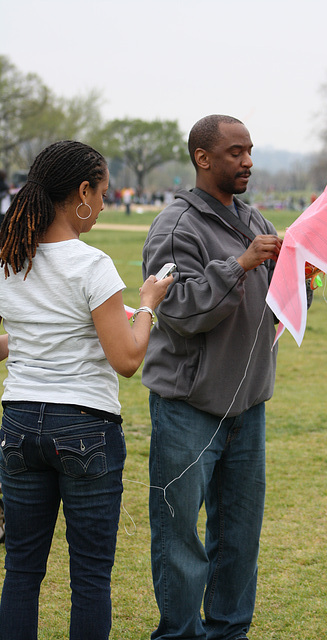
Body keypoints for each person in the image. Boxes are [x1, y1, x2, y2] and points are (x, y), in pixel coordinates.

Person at [142, 114, 309, 640]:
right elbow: (180, 311)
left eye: (251, 150)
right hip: (188, 409)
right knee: (179, 538)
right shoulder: (175, 227)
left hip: (248, 407)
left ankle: (230, 631)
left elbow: (271, 310)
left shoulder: (256, 221)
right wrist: (239, 265)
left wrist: (299, 283)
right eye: (236, 152)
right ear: (202, 157)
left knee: (239, 536)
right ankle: (180, 634)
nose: (248, 162)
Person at [0, 140, 173, 640]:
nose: (101, 204)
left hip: (18, 423)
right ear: (80, 192)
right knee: (91, 578)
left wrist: (33, 338)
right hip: (84, 427)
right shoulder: (91, 264)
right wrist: (147, 305)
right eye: (99, 193)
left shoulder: (10, 257)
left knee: (21, 573)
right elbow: (126, 359)